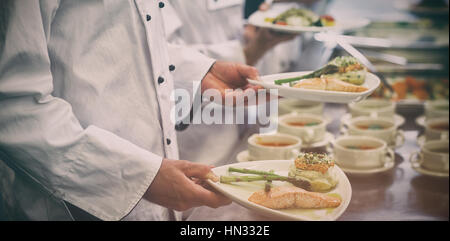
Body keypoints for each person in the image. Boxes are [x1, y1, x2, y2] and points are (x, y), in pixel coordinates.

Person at [0, 0, 265, 221]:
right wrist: (140, 177)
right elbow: (14, 107)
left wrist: (200, 71)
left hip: (156, 188)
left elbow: (128, 43)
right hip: (74, 203)